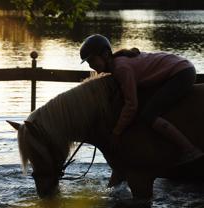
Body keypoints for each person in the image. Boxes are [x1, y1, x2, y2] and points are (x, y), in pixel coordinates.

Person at [80, 34, 204, 165]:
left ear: (105, 55)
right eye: (89, 63)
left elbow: (131, 105)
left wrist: (117, 132)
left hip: (181, 73)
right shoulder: (117, 64)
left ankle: (190, 150)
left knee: (149, 114)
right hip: (180, 69)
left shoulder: (121, 68)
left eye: (92, 61)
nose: (91, 66)